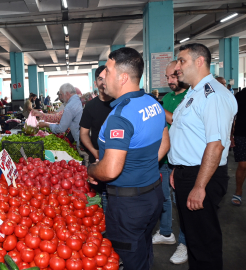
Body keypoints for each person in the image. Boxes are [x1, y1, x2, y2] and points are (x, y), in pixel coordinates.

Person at [87, 47, 170, 270]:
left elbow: (111, 170)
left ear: (123, 78)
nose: (103, 75)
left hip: (129, 206)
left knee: (131, 259)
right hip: (153, 195)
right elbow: (165, 143)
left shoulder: (120, 116)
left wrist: (92, 170)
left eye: (108, 69)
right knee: (143, 251)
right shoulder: (153, 104)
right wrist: (143, 167)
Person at [169, 43, 237, 269]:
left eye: (182, 61)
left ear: (199, 61)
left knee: (204, 242)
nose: (178, 67)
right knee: (194, 239)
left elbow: (215, 145)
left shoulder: (212, 95)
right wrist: (178, 169)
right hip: (188, 174)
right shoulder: (194, 92)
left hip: (202, 176)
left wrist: (199, 186)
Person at [152, 60, 189, 265]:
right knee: (164, 197)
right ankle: (167, 233)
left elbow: (176, 120)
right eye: (167, 77)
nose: (170, 81)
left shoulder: (189, 97)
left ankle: (184, 242)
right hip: (165, 156)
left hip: (183, 159)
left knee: (182, 203)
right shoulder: (167, 97)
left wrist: (156, 109)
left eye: (173, 76)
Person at [80, 65, 113, 213]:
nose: (103, 82)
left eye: (106, 78)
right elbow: (84, 133)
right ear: (95, 83)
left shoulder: (119, 103)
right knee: (103, 195)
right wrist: (95, 152)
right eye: (100, 79)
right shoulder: (90, 106)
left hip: (121, 157)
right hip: (98, 157)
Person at [231, 87, 246, 205]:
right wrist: (230, 135)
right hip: (241, 134)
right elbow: (232, 117)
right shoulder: (240, 96)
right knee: (243, 165)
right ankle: (238, 191)